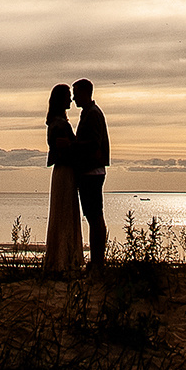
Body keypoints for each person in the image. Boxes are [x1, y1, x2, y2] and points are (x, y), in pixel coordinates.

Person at [41, 82, 82, 275]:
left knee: (64, 213)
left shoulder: (56, 122)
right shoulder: (59, 124)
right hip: (65, 171)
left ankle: (62, 258)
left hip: (63, 171)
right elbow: (64, 150)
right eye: (67, 96)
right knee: (65, 213)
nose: (71, 99)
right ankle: (63, 260)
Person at [72, 77, 110, 267]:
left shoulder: (93, 114)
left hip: (91, 172)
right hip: (90, 171)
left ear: (85, 93)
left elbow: (94, 143)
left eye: (76, 93)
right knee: (93, 216)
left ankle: (97, 261)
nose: (73, 98)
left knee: (95, 217)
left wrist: (72, 145)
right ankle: (97, 260)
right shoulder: (89, 113)